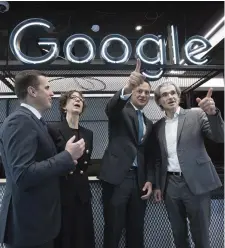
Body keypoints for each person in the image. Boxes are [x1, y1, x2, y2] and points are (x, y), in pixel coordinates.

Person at [0, 70, 85, 248]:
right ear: (32, 91)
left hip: (39, 224)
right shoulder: (20, 122)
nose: (52, 93)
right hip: (28, 226)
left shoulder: (36, 122)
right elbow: (23, 174)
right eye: (47, 87)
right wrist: (67, 157)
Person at [153, 81, 224, 248]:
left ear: (178, 96)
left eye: (173, 93)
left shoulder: (196, 114)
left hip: (196, 182)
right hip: (170, 185)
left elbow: (220, 137)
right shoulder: (157, 126)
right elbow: (158, 159)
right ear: (159, 102)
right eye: (165, 95)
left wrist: (213, 113)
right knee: (178, 234)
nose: (170, 96)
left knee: (200, 234)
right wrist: (158, 185)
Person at [99, 59, 155, 248]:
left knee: (136, 230)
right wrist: (128, 87)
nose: (143, 95)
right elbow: (111, 108)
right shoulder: (121, 111)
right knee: (113, 229)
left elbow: (147, 155)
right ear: (132, 93)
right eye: (139, 91)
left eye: (147, 92)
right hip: (117, 180)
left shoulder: (149, 123)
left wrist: (149, 179)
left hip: (139, 182)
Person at [48, 90, 95, 248]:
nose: (78, 100)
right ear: (63, 106)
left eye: (81, 99)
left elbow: (85, 164)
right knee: (64, 237)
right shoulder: (53, 129)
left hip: (82, 194)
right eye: (73, 98)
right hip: (62, 193)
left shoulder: (88, 133)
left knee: (82, 237)